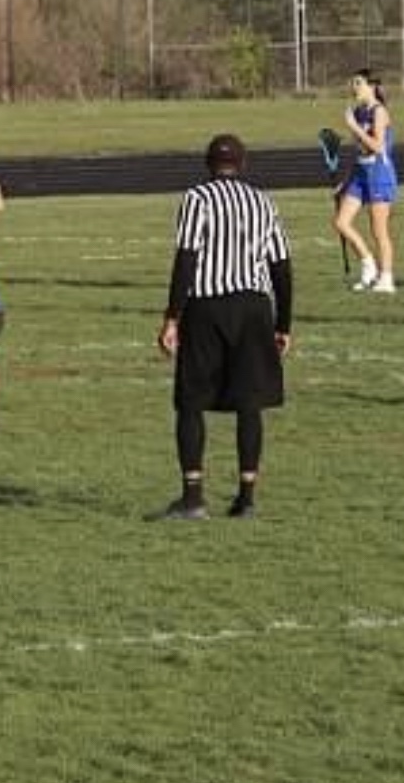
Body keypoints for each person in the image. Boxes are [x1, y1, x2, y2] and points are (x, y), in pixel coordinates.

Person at [157, 132, 293, 520]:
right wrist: (283, 322)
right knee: (249, 401)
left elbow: (186, 259)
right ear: (243, 164)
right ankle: (246, 497)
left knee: (190, 401)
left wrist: (172, 316)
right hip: (254, 307)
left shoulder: (197, 198)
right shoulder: (262, 201)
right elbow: (281, 265)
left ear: (208, 164)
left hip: (207, 306)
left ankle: (193, 496)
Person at [332, 69, 399, 293]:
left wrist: (353, 127)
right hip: (360, 175)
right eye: (353, 84)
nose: (354, 88)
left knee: (378, 230)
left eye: (358, 83)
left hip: (379, 175)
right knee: (341, 222)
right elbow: (361, 151)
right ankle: (368, 264)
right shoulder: (358, 111)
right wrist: (346, 179)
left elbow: (378, 146)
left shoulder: (379, 112)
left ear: (371, 86)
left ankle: (386, 279)